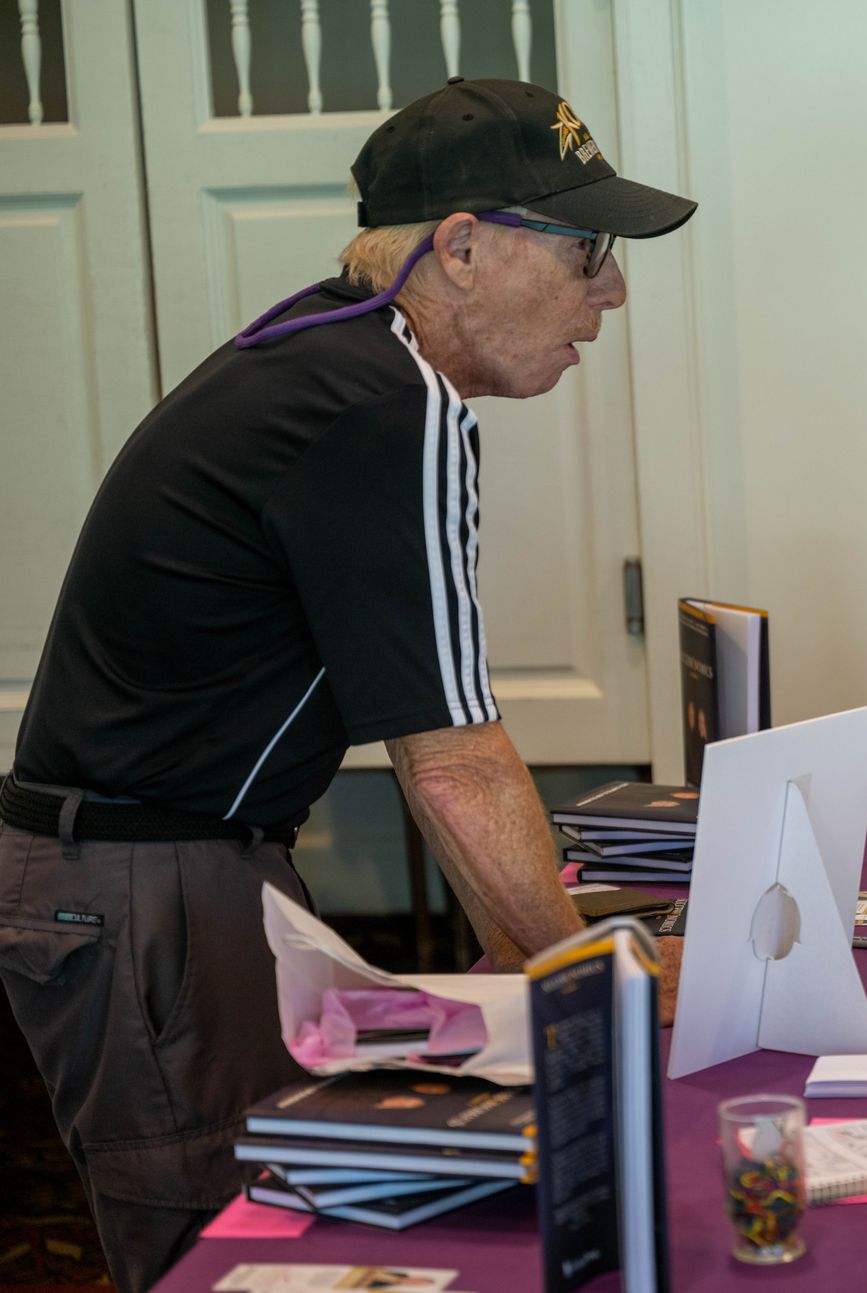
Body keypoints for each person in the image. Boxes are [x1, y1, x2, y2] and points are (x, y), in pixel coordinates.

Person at [0, 78, 694, 1292]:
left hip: (155, 871)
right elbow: (452, 755)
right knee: (229, 1261)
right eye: (588, 251)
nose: (614, 290)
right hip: (146, 884)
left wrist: (529, 950)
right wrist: (598, 993)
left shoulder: (330, 356)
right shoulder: (386, 404)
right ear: (463, 249)